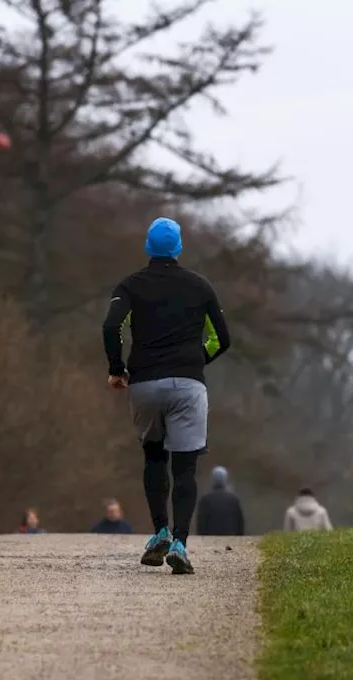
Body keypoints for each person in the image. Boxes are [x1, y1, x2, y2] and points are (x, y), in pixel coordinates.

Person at [102, 217, 232, 575]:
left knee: (153, 458)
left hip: (144, 384)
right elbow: (223, 339)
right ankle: (179, 542)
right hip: (188, 385)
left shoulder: (130, 285)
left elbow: (112, 325)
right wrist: (195, 361)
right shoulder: (200, 286)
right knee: (185, 466)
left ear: (148, 247)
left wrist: (117, 369)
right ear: (179, 248)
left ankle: (158, 530)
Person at [195, 466, 245, 536]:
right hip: (230, 536)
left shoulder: (206, 499)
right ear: (225, 479)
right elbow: (240, 522)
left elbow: (201, 523)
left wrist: (202, 537)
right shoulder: (233, 499)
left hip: (210, 537)